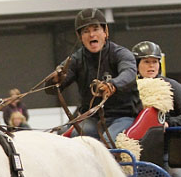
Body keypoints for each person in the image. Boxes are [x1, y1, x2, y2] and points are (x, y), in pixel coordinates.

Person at [50, 8, 140, 142]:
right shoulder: (75, 60)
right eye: (86, 31)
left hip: (123, 117)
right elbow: (52, 88)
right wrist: (54, 80)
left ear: (105, 32)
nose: (91, 34)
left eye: (96, 29)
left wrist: (113, 85)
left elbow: (129, 73)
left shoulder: (121, 54)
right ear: (79, 36)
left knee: (108, 141)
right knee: (76, 137)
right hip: (92, 118)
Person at [132, 40, 181, 127]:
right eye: (146, 61)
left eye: (155, 62)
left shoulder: (172, 86)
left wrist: (168, 123)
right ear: (136, 65)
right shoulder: (130, 89)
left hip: (170, 137)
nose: (151, 65)